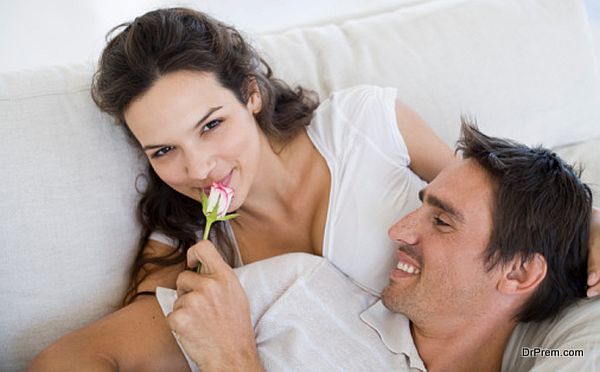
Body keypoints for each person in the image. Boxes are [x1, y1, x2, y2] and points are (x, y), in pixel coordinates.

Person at [29, 7, 600, 371]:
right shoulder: (189, 251)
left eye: (210, 125)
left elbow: (480, 194)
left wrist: (589, 226)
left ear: (251, 94)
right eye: (163, 150)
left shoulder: (362, 126)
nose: (200, 166)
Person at [163, 122, 596, 371]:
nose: (399, 231)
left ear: (519, 274)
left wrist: (232, 362)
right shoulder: (297, 287)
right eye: (419, 205)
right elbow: (99, 353)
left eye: (441, 222)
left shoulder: (554, 353)